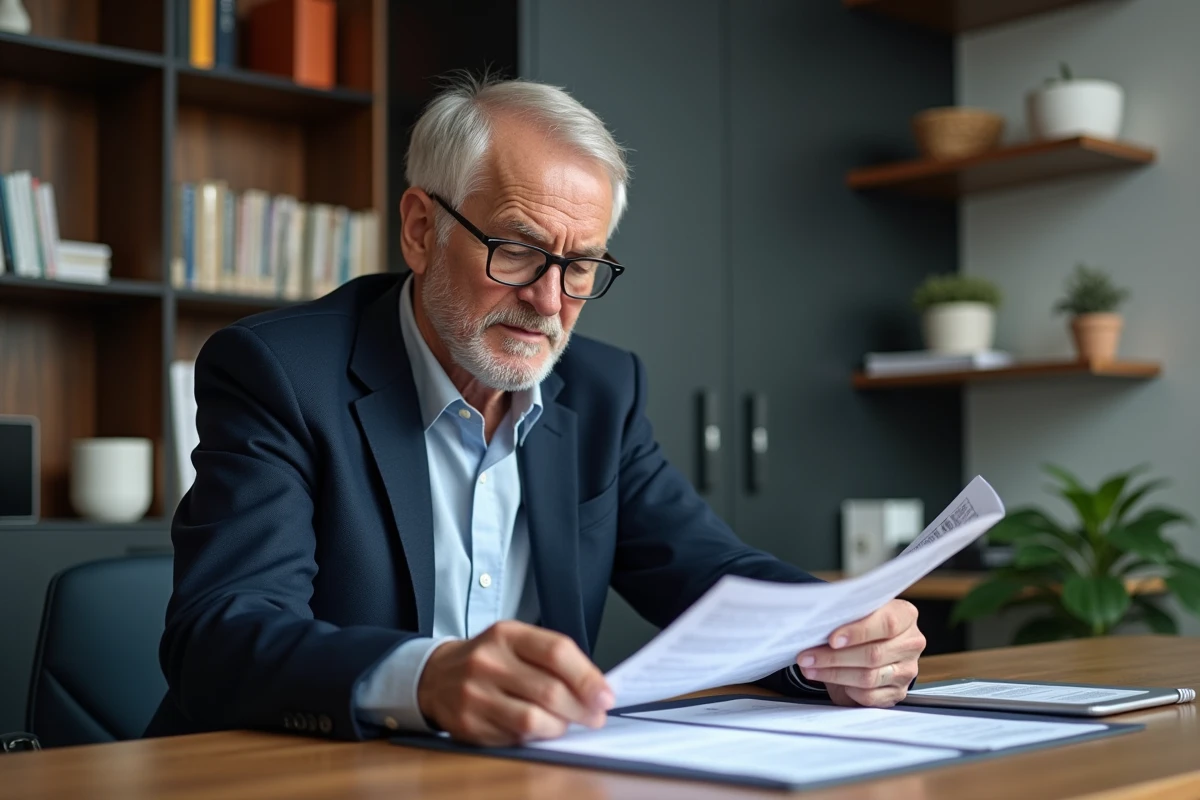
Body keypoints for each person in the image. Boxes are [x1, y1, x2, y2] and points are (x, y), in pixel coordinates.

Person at [148, 76, 924, 746]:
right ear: (421, 230)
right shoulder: (281, 372)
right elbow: (221, 635)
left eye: (580, 265)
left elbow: (711, 574)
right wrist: (422, 680)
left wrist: (833, 634)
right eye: (516, 249)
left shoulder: (601, 390)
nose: (549, 301)